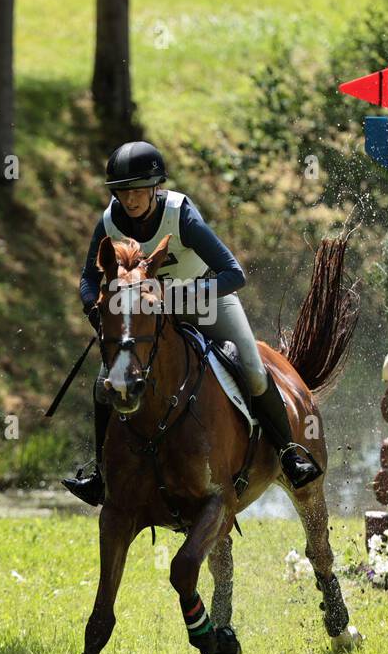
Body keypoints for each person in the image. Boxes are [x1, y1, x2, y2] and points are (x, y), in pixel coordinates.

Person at [62, 141, 322, 506]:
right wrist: (96, 310)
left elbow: (234, 274)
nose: (130, 200)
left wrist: (181, 295)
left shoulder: (180, 215)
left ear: (156, 187)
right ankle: (102, 475)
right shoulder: (109, 221)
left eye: (137, 191)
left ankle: (288, 454)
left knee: (251, 365)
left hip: (207, 303)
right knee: (106, 383)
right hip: (145, 315)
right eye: (122, 192)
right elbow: (89, 278)